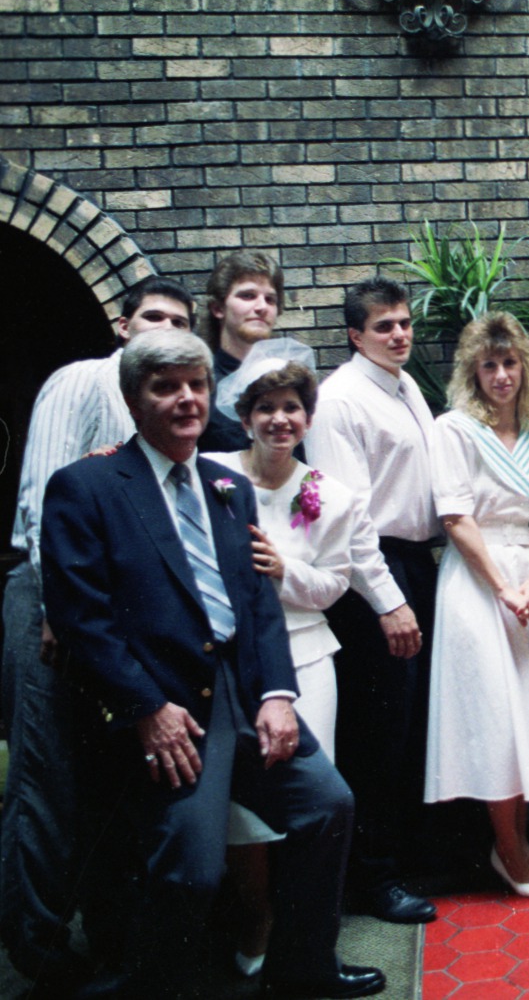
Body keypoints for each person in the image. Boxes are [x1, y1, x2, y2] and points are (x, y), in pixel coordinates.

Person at [39, 330, 381, 1000]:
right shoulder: (87, 486)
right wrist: (145, 708)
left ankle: (302, 966)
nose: (186, 398)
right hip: (168, 708)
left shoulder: (228, 484)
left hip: (246, 693)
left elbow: (256, 602)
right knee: (193, 870)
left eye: (195, 384)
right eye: (166, 386)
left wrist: (279, 693)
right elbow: (83, 617)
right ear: (134, 399)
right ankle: (157, 984)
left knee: (328, 805)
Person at [0, 278, 194, 989]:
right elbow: (41, 491)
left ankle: (100, 939)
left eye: (177, 321)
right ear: (121, 325)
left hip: (108, 615)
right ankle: (36, 951)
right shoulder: (82, 382)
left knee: (99, 784)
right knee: (43, 782)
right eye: (152, 317)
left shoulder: (153, 406)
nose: (162, 328)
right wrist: (56, 603)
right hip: (52, 603)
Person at [203, 348, 400, 974]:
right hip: (231, 660)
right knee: (241, 802)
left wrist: (285, 570)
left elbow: (333, 587)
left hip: (307, 654)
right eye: (266, 407)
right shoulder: (208, 475)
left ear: (308, 418)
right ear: (245, 414)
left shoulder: (330, 496)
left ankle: (311, 938)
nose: (280, 419)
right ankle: (256, 915)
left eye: (292, 408)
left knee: (316, 800)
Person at [425, 313, 529, 898]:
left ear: (526, 367)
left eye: (510, 363)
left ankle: (517, 839)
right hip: (478, 581)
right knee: (497, 718)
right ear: (473, 371)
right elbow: (455, 517)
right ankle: (510, 848)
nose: (501, 375)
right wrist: (504, 587)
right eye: (489, 365)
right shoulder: (456, 430)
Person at [302, 277, 436, 926]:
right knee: (377, 732)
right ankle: (371, 877)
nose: (400, 334)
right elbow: (345, 517)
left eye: (405, 322)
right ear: (355, 334)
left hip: (414, 563)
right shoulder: (339, 400)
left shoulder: (403, 385)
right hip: (371, 577)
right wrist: (387, 600)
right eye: (384, 326)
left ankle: (401, 855)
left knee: (408, 725)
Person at [199, 249, 284, 453]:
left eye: (270, 299)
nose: (262, 307)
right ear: (218, 308)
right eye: (248, 296)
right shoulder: (200, 384)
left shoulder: (288, 378)